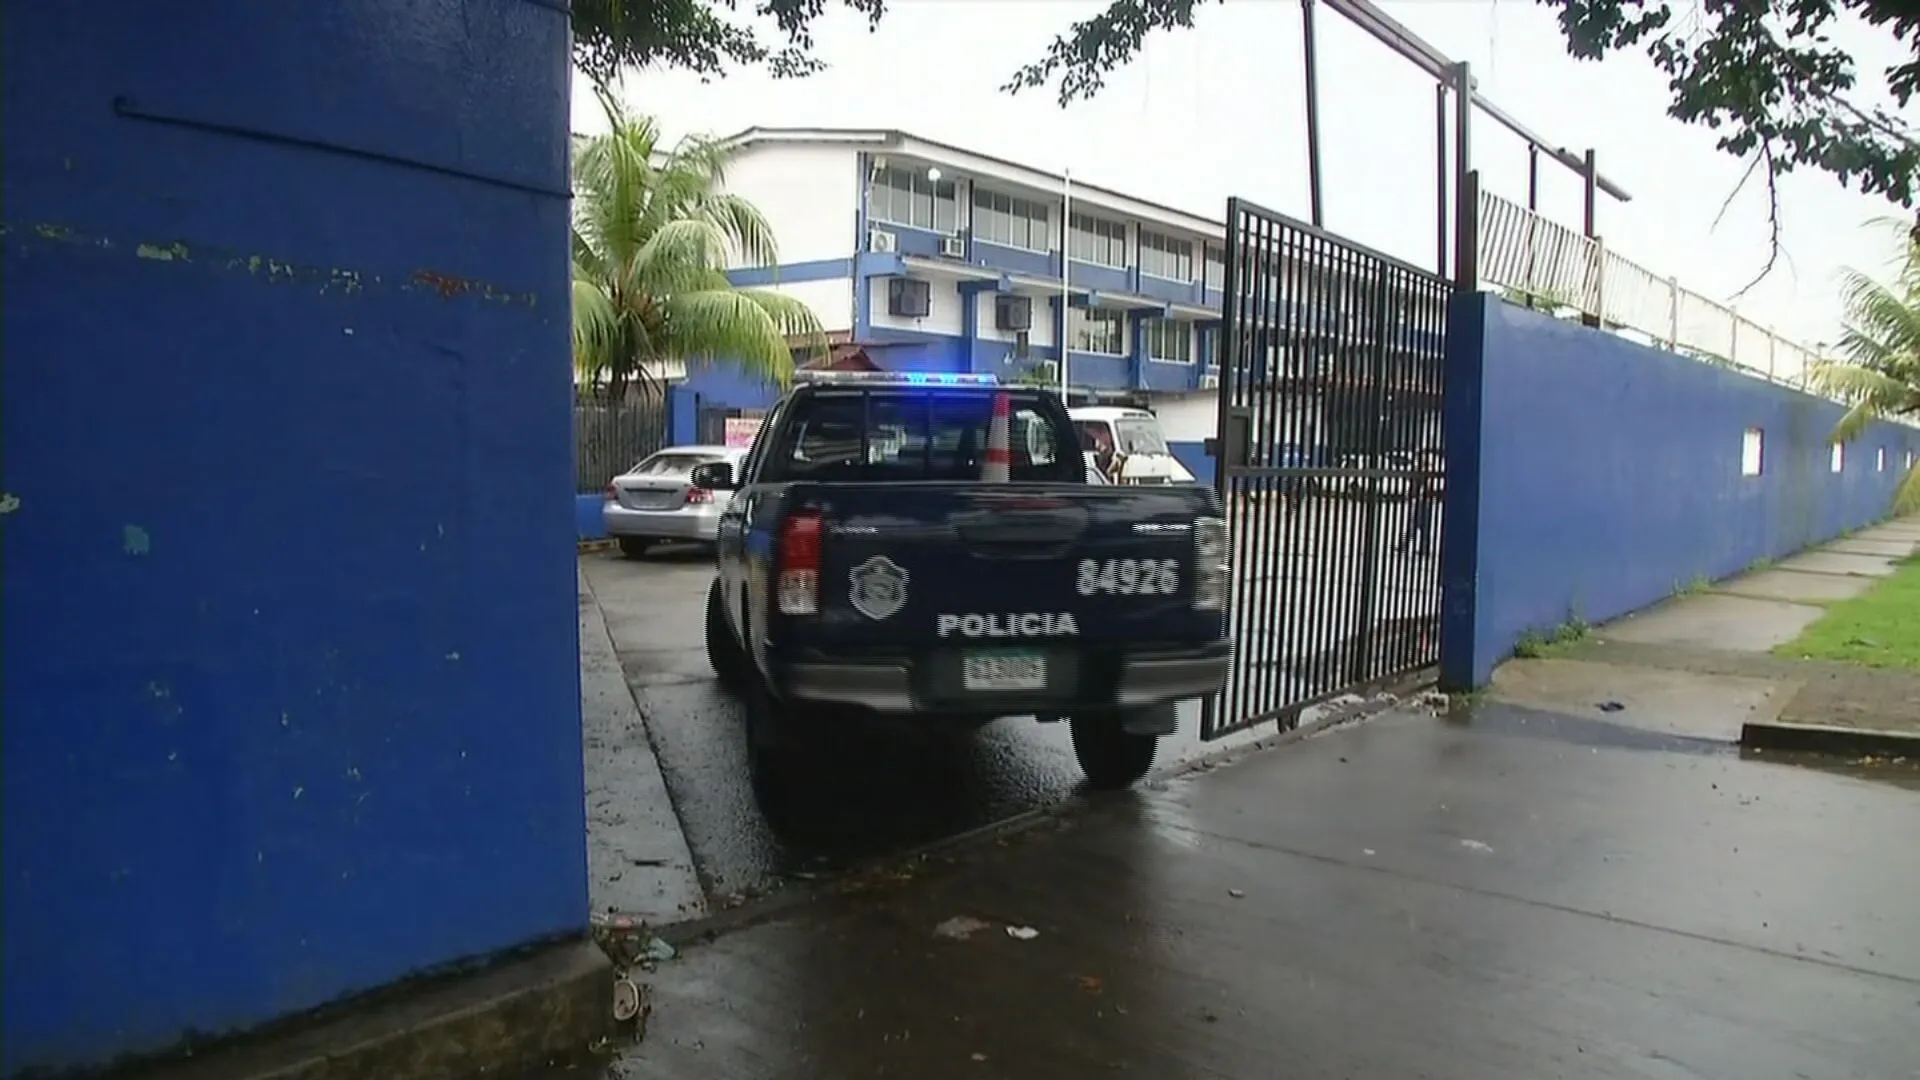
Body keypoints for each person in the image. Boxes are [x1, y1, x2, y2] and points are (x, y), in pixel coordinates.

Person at [1395, 451, 1442, 556]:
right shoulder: (1425, 470)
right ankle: (1417, 547)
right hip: (1424, 501)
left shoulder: (1424, 471)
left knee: (1416, 526)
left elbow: (1419, 487)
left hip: (1423, 501)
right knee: (1419, 526)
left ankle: (1411, 546)